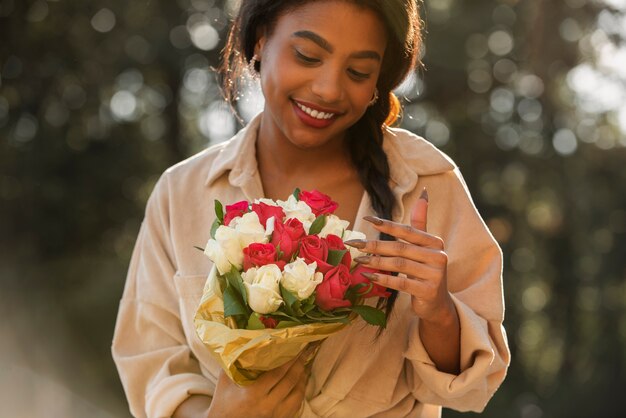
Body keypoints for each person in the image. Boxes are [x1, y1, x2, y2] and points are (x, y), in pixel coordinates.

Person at [112, 0, 510, 417]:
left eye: (357, 72)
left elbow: (471, 390)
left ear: (379, 81)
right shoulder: (181, 193)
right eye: (307, 56)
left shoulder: (428, 187)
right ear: (261, 41)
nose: (328, 89)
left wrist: (440, 314)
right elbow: (152, 362)